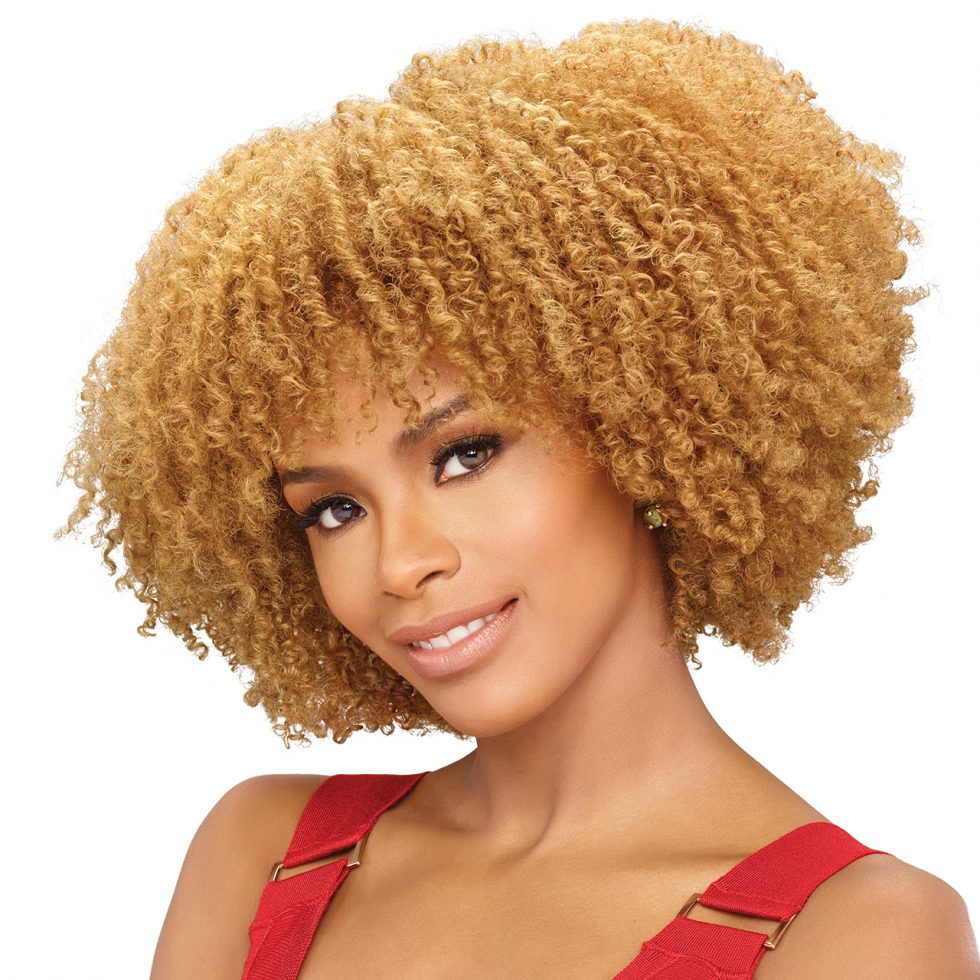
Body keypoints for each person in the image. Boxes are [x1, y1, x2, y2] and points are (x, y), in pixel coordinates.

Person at [56, 16, 978, 979]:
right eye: (335, 509)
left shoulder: (859, 934)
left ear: (645, 423)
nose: (401, 563)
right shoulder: (265, 856)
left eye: (465, 455)